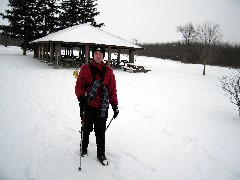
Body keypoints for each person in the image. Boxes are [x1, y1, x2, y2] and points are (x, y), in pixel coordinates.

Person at [75, 44, 119, 166]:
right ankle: (83, 149)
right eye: (96, 54)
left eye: (100, 54)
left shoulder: (109, 71)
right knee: (86, 128)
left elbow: (112, 90)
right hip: (88, 105)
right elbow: (79, 85)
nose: (98, 56)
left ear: (103, 56)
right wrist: (80, 98)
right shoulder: (85, 68)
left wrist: (114, 105)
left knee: (100, 131)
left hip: (102, 107)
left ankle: (101, 155)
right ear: (93, 55)